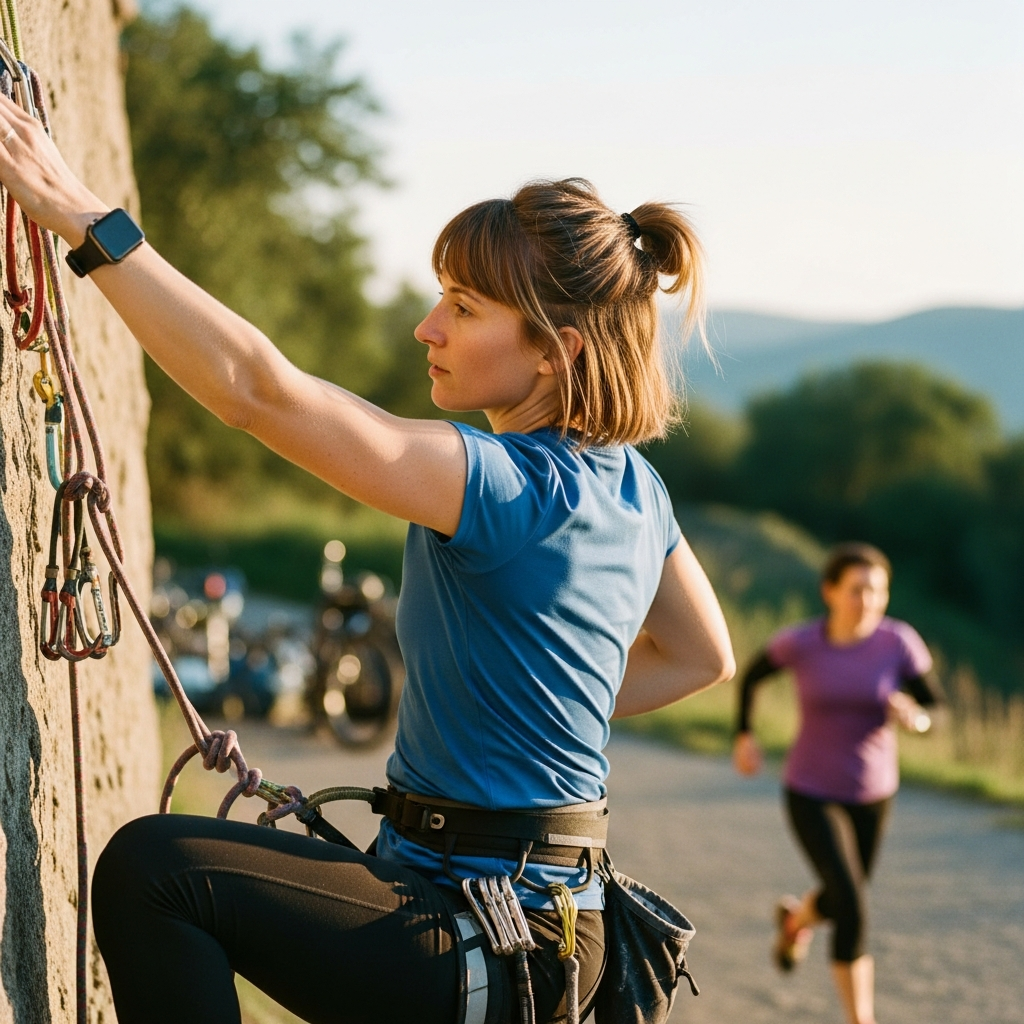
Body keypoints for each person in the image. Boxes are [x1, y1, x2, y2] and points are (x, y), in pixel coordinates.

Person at [0, 87, 735, 1024]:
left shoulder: (502, 483)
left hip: (473, 931)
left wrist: (75, 211)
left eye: (463, 308)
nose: (429, 327)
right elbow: (702, 655)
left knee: (155, 872)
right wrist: (525, 706)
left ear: (556, 352)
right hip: (552, 930)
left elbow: (259, 394)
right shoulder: (636, 489)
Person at [733, 543, 942, 1024]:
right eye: (856, 590)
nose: (867, 601)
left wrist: (917, 719)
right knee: (852, 906)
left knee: (842, 895)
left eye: (877, 591)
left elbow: (939, 709)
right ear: (830, 591)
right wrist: (745, 735)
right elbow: (752, 677)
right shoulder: (803, 643)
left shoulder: (899, 643)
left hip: (874, 795)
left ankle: (795, 921)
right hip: (810, 790)